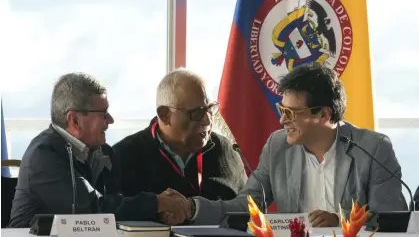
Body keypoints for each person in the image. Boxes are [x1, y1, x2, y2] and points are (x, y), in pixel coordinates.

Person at [176, 63, 408, 226]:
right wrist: (192, 208)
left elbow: (392, 220)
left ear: (324, 115)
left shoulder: (374, 148)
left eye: (292, 113)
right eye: (282, 110)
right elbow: (246, 206)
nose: (282, 120)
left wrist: (342, 222)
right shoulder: (278, 146)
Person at [8, 73, 189, 228]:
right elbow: (90, 209)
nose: (110, 120)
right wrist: (157, 202)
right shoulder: (43, 154)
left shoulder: (105, 154)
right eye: (103, 113)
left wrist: (161, 213)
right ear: (74, 120)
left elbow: (117, 211)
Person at [112, 69, 247, 209]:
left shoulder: (226, 150)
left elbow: (249, 209)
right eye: (197, 113)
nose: (207, 120)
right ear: (164, 115)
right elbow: (109, 214)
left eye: (210, 109)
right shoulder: (123, 155)